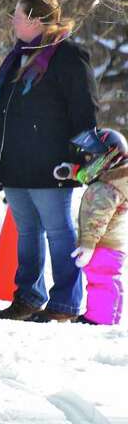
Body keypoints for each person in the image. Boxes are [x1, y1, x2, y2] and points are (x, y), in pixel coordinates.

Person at [0, 0, 96, 322]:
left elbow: (84, 112)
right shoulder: (18, 55)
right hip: (16, 161)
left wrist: (80, 160)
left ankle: (65, 302)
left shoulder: (68, 56)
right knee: (26, 232)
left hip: (53, 164)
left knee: (59, 232)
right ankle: (28, 297)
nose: (13, 22)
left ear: (36, 20)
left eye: (17, 16)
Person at [63, 128, 128, 326]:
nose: (87, 161)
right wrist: (72, 172)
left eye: (91, 157)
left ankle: (100, 319)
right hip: (108, 244)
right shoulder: (114, 179)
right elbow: (91, 175)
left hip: (102, 244)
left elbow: (97, 218)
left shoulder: (107, 189)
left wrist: (88, 244)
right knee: (107, 281)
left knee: (101, 281)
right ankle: (108, 316)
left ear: (107, 157)